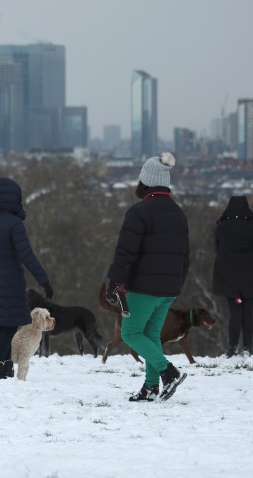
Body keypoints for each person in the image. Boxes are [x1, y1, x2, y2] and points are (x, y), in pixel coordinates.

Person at [105, 153, 190, 402]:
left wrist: (114, 281)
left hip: (144, 286)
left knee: (131, 333)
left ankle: (168, 372)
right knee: (151, 336)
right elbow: (185, 254)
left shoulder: (139, 212)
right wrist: (177, 283)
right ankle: (151, 386)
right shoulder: (178, 212)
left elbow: (125, 252)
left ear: (145, 181)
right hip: (169, 288)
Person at [0, 177, 53, 381]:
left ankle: (5, 368)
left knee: (6, 326)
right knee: (9, 326)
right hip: (9, 279)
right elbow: (26, 255)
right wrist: (44, 281)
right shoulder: (14, 224)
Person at [212, 195, 253, 358]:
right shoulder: (252, 226)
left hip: (228, 276)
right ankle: (247, 348)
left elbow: (216, 248)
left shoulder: (221, 226)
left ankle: (232, 348)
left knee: (234, 313)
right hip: (249, 276)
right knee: (247, 313)